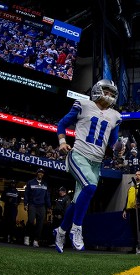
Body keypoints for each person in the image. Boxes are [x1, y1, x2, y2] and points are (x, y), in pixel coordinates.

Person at [53, 79, 122, 253]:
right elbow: (62, 124)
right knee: (90, 187)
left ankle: (60, 231)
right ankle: (77, 228)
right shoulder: (83, 104)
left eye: (113, 94)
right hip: (79, 155)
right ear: (98, 90)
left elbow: (112, 142)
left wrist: (117, 149)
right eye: (107, 91)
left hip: (96, 162)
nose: (110, 96)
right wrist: (62, 142)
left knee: (78, 201)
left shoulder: (115, 116)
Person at [24, 168, 52, 247]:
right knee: (30, 221)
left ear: (43, 175)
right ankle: (27, 236)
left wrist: (49, 207)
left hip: (41, 206)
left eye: (42, 173)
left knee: (40, 224)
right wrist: (25, 204)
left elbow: (47, 196)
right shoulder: (30, 182)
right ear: (37, 173)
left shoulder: (45, 184)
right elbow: (26, 194)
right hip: (32, 204)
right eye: (39, 172)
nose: (41, 174)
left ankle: (36, 240)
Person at [122, 170, 140, 253]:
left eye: (139, 174)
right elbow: (128, 199)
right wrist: (125, 210)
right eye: (136, 174)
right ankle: (134, 247)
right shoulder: (131, 187)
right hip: (131, 210)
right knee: (133, 229)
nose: (137, 176)